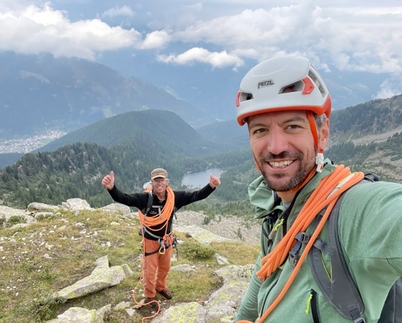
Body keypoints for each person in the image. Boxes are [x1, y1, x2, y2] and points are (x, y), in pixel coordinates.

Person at [233, 55, 402, 322]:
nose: (276, 147)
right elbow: (262, 278)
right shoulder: (277, 214)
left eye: (292, 126)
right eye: (261, 130)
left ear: (322, 134)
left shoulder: (353, 210)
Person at [101, 167, 221, 309]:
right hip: (150, 241)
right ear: (151, 183)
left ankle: (160, 286)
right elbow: (125, 199)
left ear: (167, 182)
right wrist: (112, 188)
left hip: (167, 240)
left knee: (165, 267)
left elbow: (196, 195)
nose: (159, 183)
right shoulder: (145, 199)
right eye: (156, 180)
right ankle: (150, 295)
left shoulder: (175, 197)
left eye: (162, 180)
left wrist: (211, 186)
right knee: (149, 271)